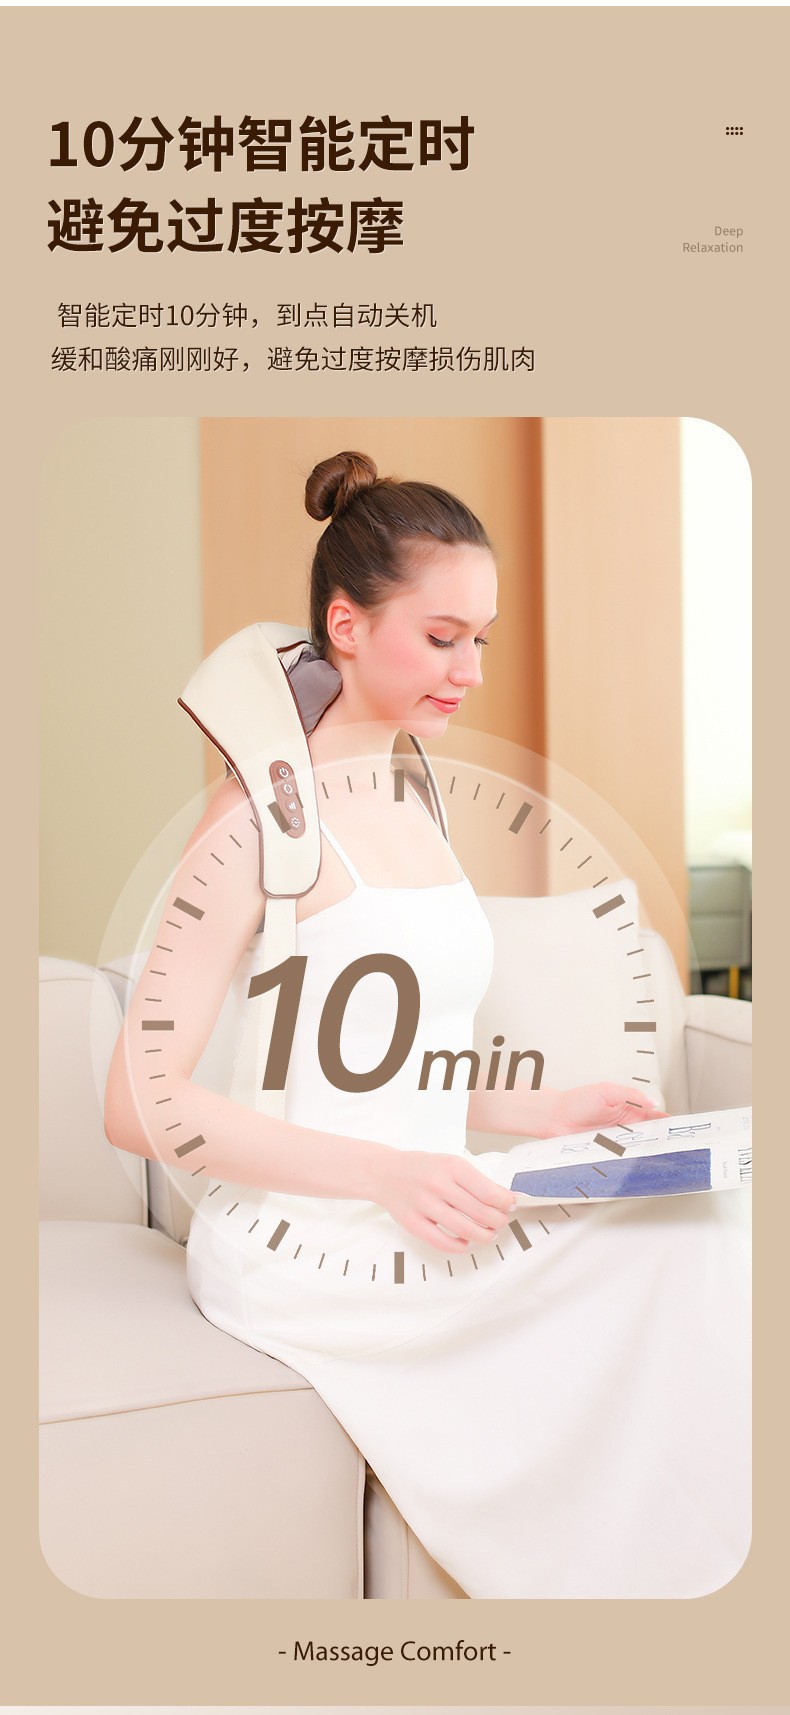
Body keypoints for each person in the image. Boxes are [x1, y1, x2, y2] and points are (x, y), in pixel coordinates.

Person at [104, 450, 750, 1599]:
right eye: (443, 636)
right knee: (688, 1244)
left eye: (481, 639)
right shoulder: (257, 819)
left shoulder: (414, 797)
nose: (471, 670)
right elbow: (136, 1102)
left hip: (426, 1193)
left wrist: (539, 1109)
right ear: (345, 625)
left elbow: (379, 1059)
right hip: (309, 1244)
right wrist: (386, 1173)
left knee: (721, 1203)